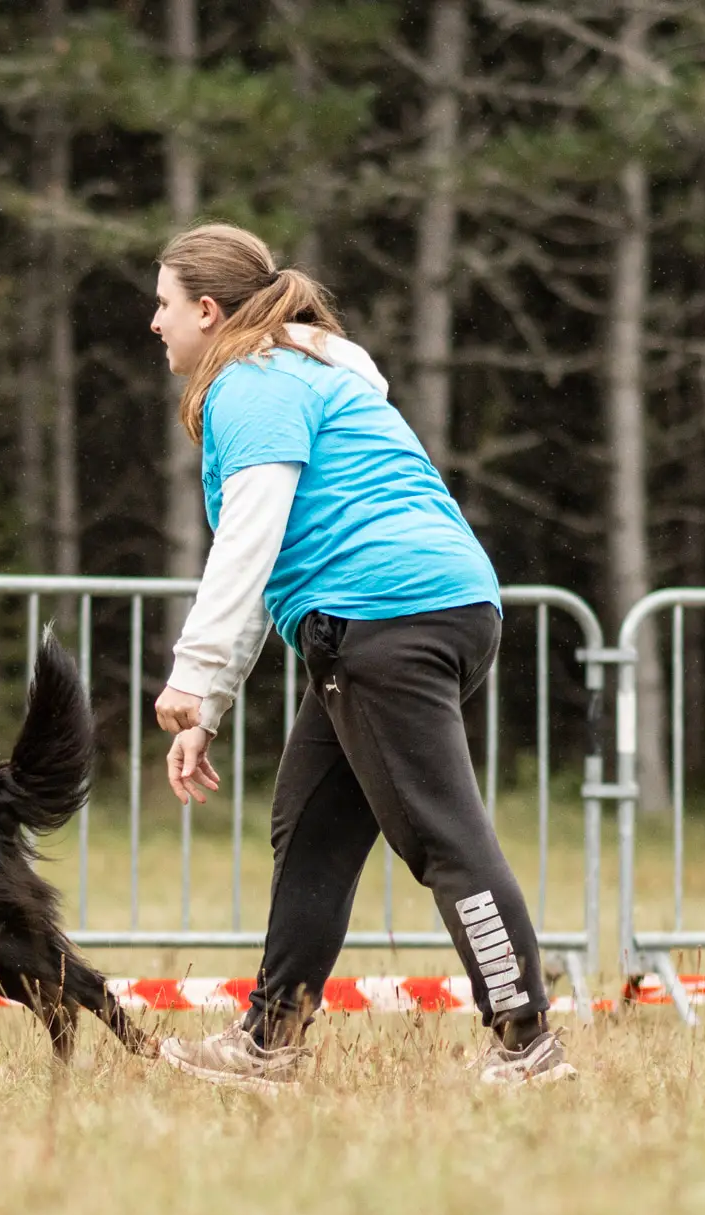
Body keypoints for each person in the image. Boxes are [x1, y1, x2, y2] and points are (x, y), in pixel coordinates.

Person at [145, 222, 575, 1090]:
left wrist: (190, 678)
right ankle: (269, 1041)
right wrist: (213, 706)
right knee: (312, 829)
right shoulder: (309, 370)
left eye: (161, 304)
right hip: (437, 604)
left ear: (205, 308)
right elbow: (273, 561)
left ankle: (527, 1043)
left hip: (384, 617)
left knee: (442, 836)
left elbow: (248, 546)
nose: (154, 323)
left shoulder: (251, 385)